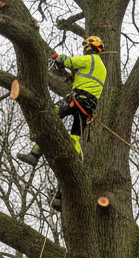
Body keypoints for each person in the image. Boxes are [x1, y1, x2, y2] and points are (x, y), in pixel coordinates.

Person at [17, 35, 107, 209]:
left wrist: (57, 58)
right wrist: (71, 76)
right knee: (74, 137)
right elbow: (81, 77)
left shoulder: (90, 59)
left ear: (90, 47)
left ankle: (34, 154)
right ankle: (76, 166)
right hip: (89, 106)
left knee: (49, 116)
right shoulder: (100, 68)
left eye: (86, 46)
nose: (84, 49)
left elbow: (68, 61)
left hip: (77, 99)